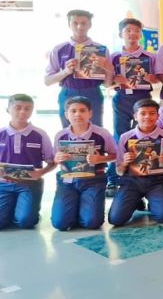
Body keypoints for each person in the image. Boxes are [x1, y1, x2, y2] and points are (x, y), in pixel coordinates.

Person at [0, 94, 55, 231]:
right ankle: (12, 207)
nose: (23, 112)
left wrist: (41, 172)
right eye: (18, 108)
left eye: (27, 108)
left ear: (32, 111)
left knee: (26, 222)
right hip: (5, 184)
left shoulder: (40, 134)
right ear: (8, 109)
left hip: (30, 185)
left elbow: (52, 161)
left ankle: (26, 209)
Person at [108, 99, 163, 226]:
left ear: (158, 116)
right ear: (135, 116)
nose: (147, 117)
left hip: (157, 182)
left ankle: (154, 201)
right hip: (131, 182)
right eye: (143, 113)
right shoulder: (125, 137)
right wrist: (125, 163)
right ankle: (135, 200)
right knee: (115, 219)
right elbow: (119, 171)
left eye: (152, 113)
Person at [51, 96, 117, 230]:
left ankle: (83, 209)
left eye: (82, 110)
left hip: (94, 180)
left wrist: (100, 159)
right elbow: (55, 159)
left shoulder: (102, 133)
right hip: (68, 181)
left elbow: (116, 155)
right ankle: (73, 208)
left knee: (91, 223)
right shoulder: (60, 135)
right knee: (60, 224)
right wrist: (57, 158)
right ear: (66, 114)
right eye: (73, 111)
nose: (78, 114)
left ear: (90, 113)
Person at [45, 9, 113, 128]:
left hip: (93, 93)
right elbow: (47, 81)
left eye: (83, 23)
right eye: (75, 23)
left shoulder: (101, 49)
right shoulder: (58, 49)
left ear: (90, 25)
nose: (79, 26)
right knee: (68, 129)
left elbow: (107, 84)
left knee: (95, 129)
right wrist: (65, 72)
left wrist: (108, 69)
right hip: (68, 92)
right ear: (69, 25)